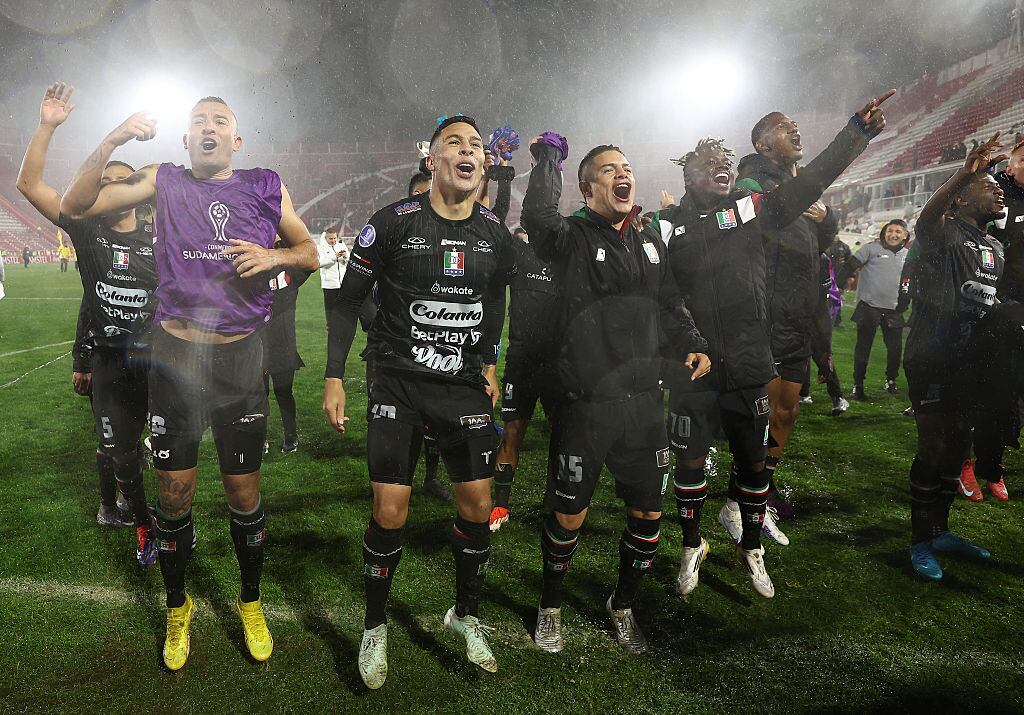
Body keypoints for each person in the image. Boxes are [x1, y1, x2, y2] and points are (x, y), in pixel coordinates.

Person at [61, 96, 318, 670]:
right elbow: (77, 206)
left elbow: (310, 252)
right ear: (185, 140)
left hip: (239, 362)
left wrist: (275, 253)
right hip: (177, 360)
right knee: (174, 494)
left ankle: (251, 603)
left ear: (237, 139)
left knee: (242, 494)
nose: (209, 128)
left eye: (220, 121)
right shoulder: (165, 179)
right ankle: (179, 608)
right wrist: (113, 139)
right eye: (199, 121)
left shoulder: (265, 185)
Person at [648, 107, 882, 597]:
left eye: (727, 159)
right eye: (711, 158)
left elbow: (811, 180)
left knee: (754, 463)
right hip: (691, 367)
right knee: (689, 463)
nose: (723, 164)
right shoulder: (665, 226)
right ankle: (693, 543)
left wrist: (855, 134)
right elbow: (659, 293)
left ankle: (750, 546)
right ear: (686, 171)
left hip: (750, 361)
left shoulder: (750, 209)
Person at [322, 115, 515, 688]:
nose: (468, 151)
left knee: (478, 506)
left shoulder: (494, 235)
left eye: (476, 146)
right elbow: (346, 300)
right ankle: (375, 627)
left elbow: (494, 301)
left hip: (459, 384)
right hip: (397, 379)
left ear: (484, 165)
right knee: (390, 511)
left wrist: (487, 360)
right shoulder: (392, 225)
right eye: (454, 143)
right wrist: (334, 377)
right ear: (431, 161)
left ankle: (465, 613)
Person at [522, 131, 710, 655]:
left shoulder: (649, 241)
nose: (621, 174)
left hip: (647, 405)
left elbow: (669, 303)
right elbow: (539, 218)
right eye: (608, 169)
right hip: (587, 406)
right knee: (568, 516)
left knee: (649, 514)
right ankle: (551, 604)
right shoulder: (574, 237)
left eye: (625, 167)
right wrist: (546, 159)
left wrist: (692, 342)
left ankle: (623, 604)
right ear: (587, 188)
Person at [736, 90, 894, 518]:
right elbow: (777, 214)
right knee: (759, 416)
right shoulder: (752, 183)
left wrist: (831, 222)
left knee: (786, 413)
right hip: (766, 316)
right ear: (763, 144)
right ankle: (744, 494)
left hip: (800, 314)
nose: (795, 130)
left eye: (795, 125)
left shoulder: (799, 190)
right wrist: (855, 134)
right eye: (784, 127)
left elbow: (821, 249)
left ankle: (760, 488)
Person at [17, 83, 154, 541]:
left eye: (121, 180)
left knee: (159, 446)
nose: (110, 186)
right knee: (116, 448)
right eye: (103, 180)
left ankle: (158, 518)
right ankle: (128, 515)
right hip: (110, 358)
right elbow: (29, 185)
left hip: (159, 358)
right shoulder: (84, 228)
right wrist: (46, 127)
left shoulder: (162, 235)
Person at [902, 133, 1007, 580]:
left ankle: (942, 530)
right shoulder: (942, 230)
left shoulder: (997, 248)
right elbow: (926, 215)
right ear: (961, 199)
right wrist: (964, 172)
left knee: (958, 445)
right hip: (932, 353)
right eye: (987, 184)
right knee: (934, 444)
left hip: (972, 359)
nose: (997, 188)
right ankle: (920, 541)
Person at [491, 224, 560, 531]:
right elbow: (495, 220)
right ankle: (501, 505)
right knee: (512, 432)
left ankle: (552, 502)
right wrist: (502, 182)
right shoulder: (520, 253)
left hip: (558, 364)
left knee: (562, 435)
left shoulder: (568, 259)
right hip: (520, 361)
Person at [838, 219, 909, 399]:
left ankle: (891, 381)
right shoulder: (870, 248)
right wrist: (838, 286)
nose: (893, 234)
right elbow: (849, 266)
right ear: (884, 232)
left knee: (895, 349)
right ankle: (858, 385)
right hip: (869, 307)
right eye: (890, 230)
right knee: (863, 348)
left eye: (898, 232)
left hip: (894, 309)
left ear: (905, 236)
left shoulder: (908, 255)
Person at [263, 242, 311, 453]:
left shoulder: (290, 270)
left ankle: (291, 437)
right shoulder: (256, 265)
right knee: (258, 395)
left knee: (284, 392)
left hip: (283, 345)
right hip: (257, 343)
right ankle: (260, 438)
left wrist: (284, 249)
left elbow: (310, 261)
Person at [825, 235, 852, 327]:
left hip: (839, 277)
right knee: (826, 298)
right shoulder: (825, 244)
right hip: (826, 276)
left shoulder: (844, 247)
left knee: (837, 298)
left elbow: (849, 263)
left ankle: (837, 320)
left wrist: (849, 277)